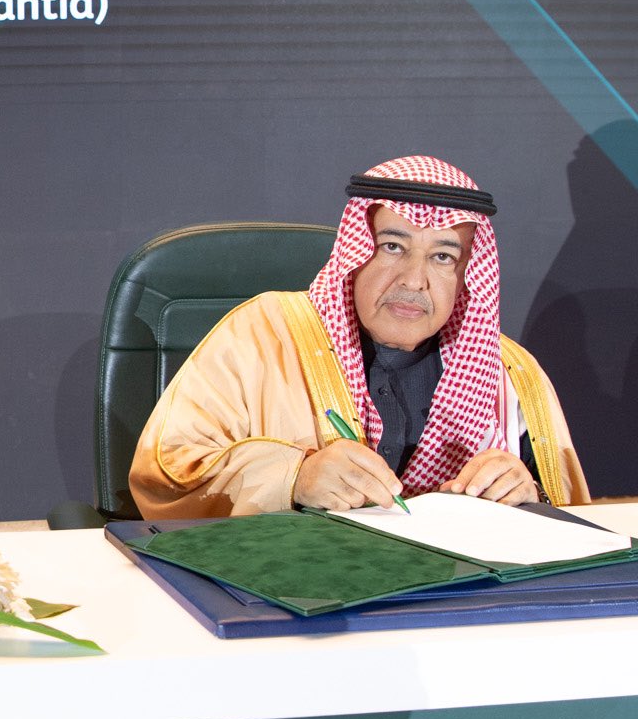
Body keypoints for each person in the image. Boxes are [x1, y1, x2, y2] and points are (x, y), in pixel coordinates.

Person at [129, 155, 588, 519]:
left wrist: (529, 496)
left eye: (443, 257)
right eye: (393, 247)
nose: (414, 280)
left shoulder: (508, 374)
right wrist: (294, 477)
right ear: (356, 252)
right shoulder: (260, 333)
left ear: (468, 274)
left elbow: (571, 516)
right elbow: (166, 475)